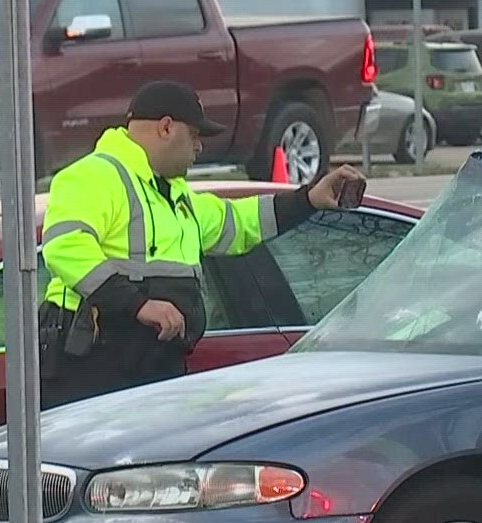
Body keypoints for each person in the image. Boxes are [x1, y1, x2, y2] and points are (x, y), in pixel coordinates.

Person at [38, 80, 366, 409]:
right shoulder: (95, 176)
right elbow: (65, 246)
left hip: (149, 366)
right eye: (194, 135)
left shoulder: (172, 194)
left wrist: (309, 198)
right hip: (92, 366)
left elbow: (240, 222)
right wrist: (138, 304)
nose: (198, 148)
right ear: (166, 128)